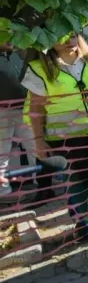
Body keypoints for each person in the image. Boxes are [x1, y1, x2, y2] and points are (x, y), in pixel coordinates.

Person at [21, 33, 88, 245]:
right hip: (65, 139)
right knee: (77, 185)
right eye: (63, 35)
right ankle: (82, 226)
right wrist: (39, 140)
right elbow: (36, 108)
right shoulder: (39, 67)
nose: (70, 40)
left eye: (74, 35)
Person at [1, 43, 36, 194]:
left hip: (25, 109)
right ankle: (2, 188)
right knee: (2, 150)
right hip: (2, 111)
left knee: (34, 145)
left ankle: (40, 182)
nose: (10, 41)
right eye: (5, 37)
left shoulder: (16, 56)